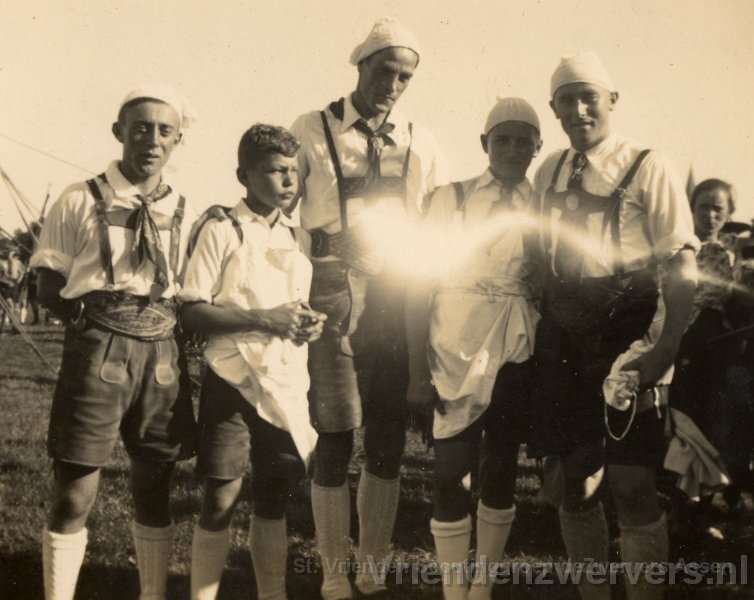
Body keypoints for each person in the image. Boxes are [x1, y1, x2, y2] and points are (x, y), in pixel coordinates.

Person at [289, 17, 450, 600]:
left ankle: (372, 569)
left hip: (394, 296)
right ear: (360, 65)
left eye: (405, 77)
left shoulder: (421, 141)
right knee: (335, 434)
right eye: (385, 72)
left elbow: (437, 224)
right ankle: (334, 572)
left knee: (386, 439)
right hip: (331, 289)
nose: (393, 86)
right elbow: (281, 211)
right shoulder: (312, 128)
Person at [530, 52, 698, 600]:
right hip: (565, 336)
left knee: (631, 485)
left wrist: (665, 348)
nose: (578, 110)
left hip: (627, 333)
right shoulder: (549, 168)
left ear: (613, 101)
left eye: (590, 99)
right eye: (566, 101)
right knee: (573, 483)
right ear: (553, 107)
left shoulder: (649, 164)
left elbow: (681, 264)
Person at [30, 84, 199, 600]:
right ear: (118, 131)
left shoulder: (183, 206)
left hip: (162, 352)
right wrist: (92, 325)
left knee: (154, 486)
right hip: (99, 348)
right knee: (76, 488)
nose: (152, 139)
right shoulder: (80, 197)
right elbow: (47, 283)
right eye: (141, 127)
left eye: (165, 130)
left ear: (177, 140)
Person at [180, 124, 326, 600]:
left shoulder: (299, 237)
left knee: (274, 494)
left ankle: (272, 594)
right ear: (244, 175)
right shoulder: (222, 227)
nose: (288, 180)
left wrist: (306, 323)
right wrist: (265, 319)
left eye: (293, 171)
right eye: (274, 171)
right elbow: (192, 309)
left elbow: (293, 305)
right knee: (221, 494)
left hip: (284, 376)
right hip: (232, 375)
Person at [406, 98, 542, 599]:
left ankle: (481, 588)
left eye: (524, 141)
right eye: (502, 140)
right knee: (448, 474)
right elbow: (417, 285)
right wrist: (417, 373)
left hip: (514, 339)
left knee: (500, 467)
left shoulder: (546, 204)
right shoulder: (452, 197)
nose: (512, 150)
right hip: (452, 342)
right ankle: (452, 589)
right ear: (484, 143)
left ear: (538, 148)